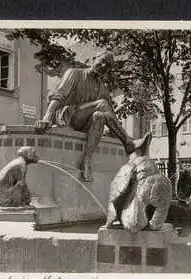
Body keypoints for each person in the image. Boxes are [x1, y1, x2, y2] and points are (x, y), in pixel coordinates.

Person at [35, 51, 151, 182]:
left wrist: (111, 129)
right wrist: (47, 117)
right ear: (94, 59)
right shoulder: (75, 73)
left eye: (107, 67)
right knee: (102, 103)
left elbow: (109, 114)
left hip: (87, 124)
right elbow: (59, 96)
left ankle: (87, 161)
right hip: (69, 117)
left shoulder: (103, 88)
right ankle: (128, 141)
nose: (103, 67)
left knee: (99, 115)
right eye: (102, 62)